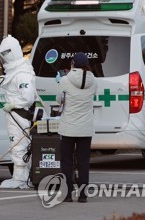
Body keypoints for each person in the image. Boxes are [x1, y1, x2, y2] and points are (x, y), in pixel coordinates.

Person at [56, 52, 97, 202]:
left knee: (66, 161)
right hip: (85, 128)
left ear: (72, 63)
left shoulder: (65, 80)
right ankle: (83, 195)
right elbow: (93, 93)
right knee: (83, 162)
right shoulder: (94, 80)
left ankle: (67, 194)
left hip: (68, 127)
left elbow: (58, 99)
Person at [0, 35, 36, 189]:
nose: (5, 58)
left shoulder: (21, 73)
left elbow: (27, 97)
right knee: (19, 144)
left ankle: (20, 178)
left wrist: (12, 104)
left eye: (7, 53)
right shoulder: (17, 71)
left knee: (19, 145)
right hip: (16, 115)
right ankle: (21, 176)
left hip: (19, 115)